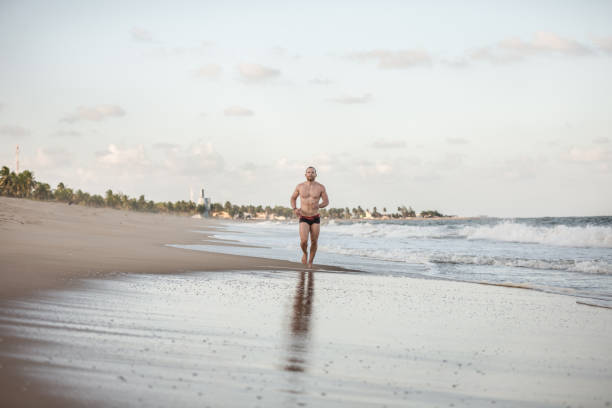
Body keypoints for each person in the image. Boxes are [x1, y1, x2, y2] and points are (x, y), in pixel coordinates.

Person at [290, 166, 329, 268]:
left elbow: (326, 202)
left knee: (314, 241)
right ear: (305, 174)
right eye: (308, 172)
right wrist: (295, 209)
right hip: (304, 217)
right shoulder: (300, 186)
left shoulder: (321, 187)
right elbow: (293, 198)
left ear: (315, 174)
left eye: (312, 172)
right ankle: (305, 253)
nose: (310, 174)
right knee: (303, 241)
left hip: (315, 217)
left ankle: (310, 262)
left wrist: (319, 205)